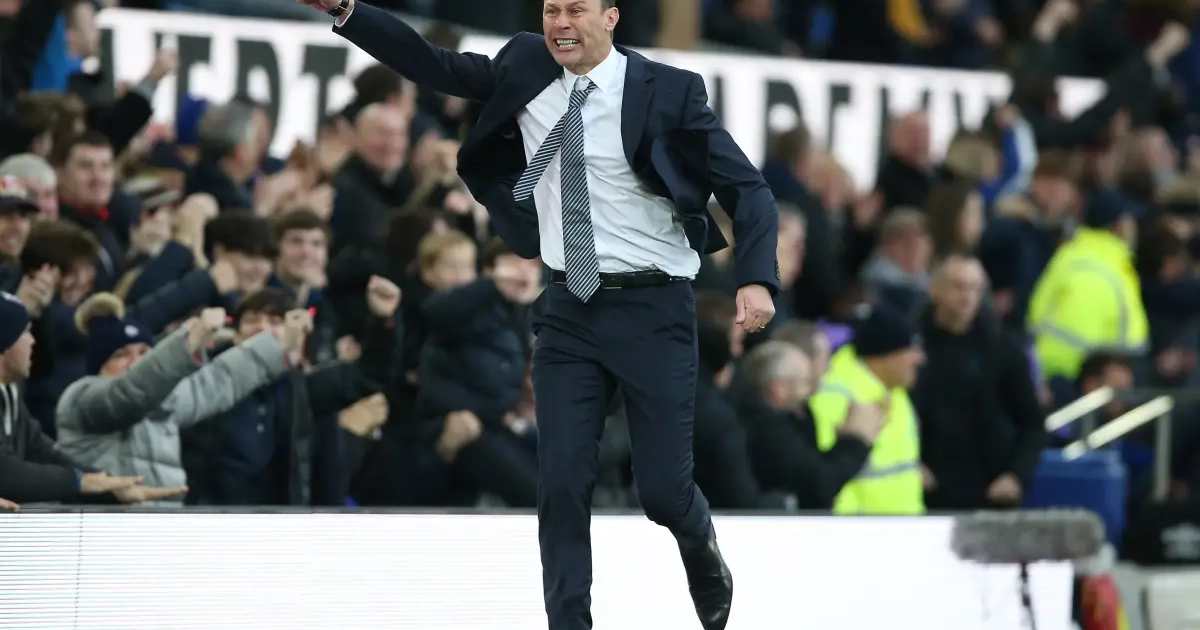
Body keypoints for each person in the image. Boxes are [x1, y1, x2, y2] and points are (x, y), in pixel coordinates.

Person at [297, 0, 781, 627]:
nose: (560, 23)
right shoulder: (524, 64)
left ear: (611, 17)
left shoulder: (669, 91)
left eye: (576, 9)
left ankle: (698, 540)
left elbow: (748, 189)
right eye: (552, 9)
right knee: (559, 484)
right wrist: (347, 11)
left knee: (663, 493)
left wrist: (756, 279)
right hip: (567, 306)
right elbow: (432, 64)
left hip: (653, 307)